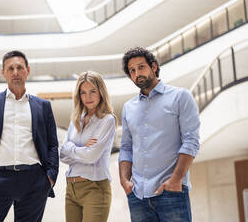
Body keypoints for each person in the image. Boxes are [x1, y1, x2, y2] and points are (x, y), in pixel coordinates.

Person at [0, 50, 59, 222]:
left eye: (19, 67)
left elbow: (52, 144)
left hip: (34, 180)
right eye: (10, 68)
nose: (15, 72)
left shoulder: (43, 106)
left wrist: (50, 178)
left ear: (27, 70)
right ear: (3, 72)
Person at [118, 46, 200, 222]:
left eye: (141, 67)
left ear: (153, 66)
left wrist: (176, 179)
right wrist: (125, 181)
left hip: (172, 192)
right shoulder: (128, 108)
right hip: (138, 196)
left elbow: (191, 141)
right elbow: (125, 147)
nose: (137, 73)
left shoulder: (180, 97)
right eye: (132, 70)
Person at [60, 71, 117, 222]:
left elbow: (91, 156)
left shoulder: (107, 120)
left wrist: (71, 148)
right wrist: (82, 148)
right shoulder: (76, 120)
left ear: (101, 92)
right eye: (83, 93)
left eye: (93, 91)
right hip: (71, 189)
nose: (88, 97)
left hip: (95, 188)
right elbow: (62, 154)